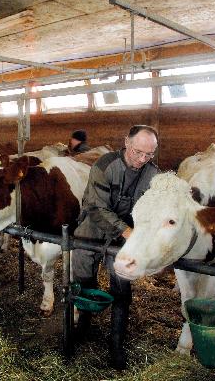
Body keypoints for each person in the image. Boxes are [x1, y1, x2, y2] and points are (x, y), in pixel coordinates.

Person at [73, 125, 160, 370]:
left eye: (148, 154)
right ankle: (84, 325)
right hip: (93, 227)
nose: (142, 159)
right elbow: (97, 208)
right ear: (126, 143)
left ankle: (116, 342)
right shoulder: (104, 165)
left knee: (121, 286)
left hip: (126, 237)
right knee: (83, 277)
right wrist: (128, 232)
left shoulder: (153, 175)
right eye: (137, 152)